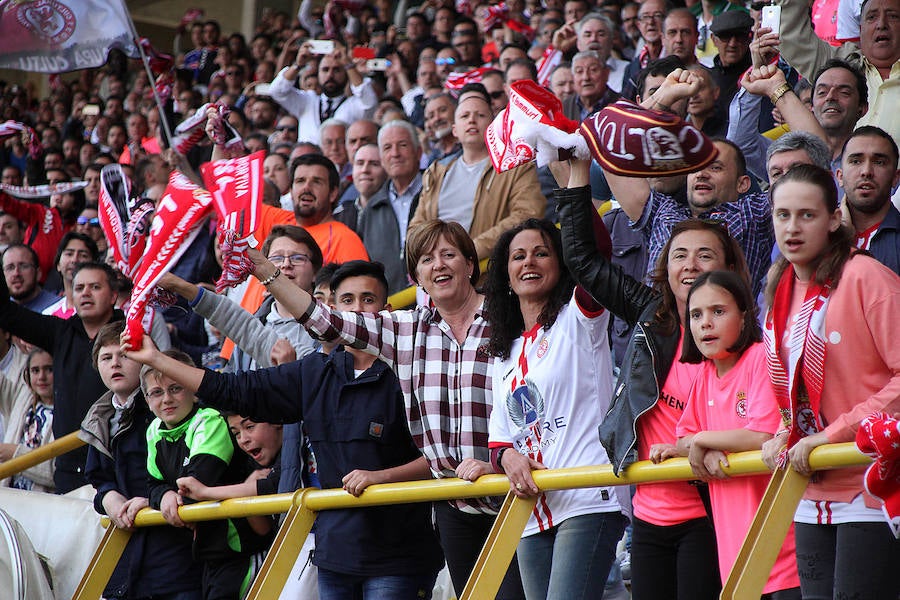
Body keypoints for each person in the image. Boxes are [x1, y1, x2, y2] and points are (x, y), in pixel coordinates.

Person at [241, 220, 526, 599]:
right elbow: (324, 322)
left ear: (471, 265)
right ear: (417, 277)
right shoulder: (405, 328)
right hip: (455, 503)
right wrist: (264, 269)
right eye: (427, 259)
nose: (439, 265)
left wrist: (499, 461)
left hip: (515, 489)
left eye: (449, 254)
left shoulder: (510, 317)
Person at [127, 262, 445, 600]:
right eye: (347, 300)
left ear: (387, 310)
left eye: (368, 300)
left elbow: (442, 458)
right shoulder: (315, 372)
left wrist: (381, 478)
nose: (357, 310)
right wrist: (157, 360)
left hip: (399, 558)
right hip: (334, 558)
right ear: (332, 311)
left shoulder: (413, 372)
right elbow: (232, 389)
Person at [558, 175, 757, 597]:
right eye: (679, 255)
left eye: (705, 255)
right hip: (648, 515)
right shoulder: (651, 314)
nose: (690, 265)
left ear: (728, 268)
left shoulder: (745, 343)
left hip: (709, 512)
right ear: (665, 267)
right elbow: (583, 261)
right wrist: (576, 177)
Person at [761, 164, 900, 599]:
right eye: (783, 215)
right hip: (809, 487)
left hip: (871, 485)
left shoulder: (865, 276)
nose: (792, 227)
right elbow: (793, 386)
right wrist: (784, 430)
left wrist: (831, 434)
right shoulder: (779, 285)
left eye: (807, 215)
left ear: (834, 218)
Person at [482, 214, 626, 599]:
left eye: (541, 253)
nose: (529, 262)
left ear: (561, 264)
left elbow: (597, 254)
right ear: (506, 276)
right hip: (530, 513)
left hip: (586, 499)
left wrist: (573, 186)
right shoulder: (503, 354)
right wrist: (508, 458)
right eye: (518, 256)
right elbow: (499, 440)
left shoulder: (579, 318)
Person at [674, 271, 800, 597]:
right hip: (736, 561)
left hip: (783, 556)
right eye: (696, 315)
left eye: (718, 311)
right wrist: (704, 446)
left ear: (744, 315)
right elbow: (682, 439)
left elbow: (761, 435)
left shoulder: (759, 358)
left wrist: (703, 441)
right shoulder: (704, 375)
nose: (705, 323)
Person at [139, 349, 273, 600]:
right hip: (209, 555)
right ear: (146, 400)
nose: (166, 399)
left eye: (176, 388)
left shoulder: (209, 420)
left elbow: (196, 487)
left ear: (194, 390)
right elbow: (153, 484)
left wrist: (167, 498)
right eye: (156, 392)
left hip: (242, 550)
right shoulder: (154, 430)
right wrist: (164, 496)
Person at [80, 321, 201, 600]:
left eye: (125, 355)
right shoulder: (98, 419)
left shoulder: (168, 409)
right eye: (106, 358)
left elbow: (190, 474)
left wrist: (153, 500)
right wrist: (109, 498)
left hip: (175, 558)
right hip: (125, 559)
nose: (115, 364)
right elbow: (99, 479)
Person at [0, 262, 127, 492]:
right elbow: (5, 312)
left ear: (113, 296)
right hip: (67, 473)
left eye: (95, 287)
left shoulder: (131, 336)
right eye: (79, 288)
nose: (85, 293)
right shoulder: (60, 332)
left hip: (116, 469)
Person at [411, 87, 544, 262]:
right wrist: (434, 257)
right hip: (439, 271)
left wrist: (470, 250)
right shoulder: (436, 172)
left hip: (488, 271)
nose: (472, 120)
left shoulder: (516, 167)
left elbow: (527, 213)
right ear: (455, 130)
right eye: (464, 116)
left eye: (480, 115)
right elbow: (415, 228)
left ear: (493, 125)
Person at [268, 42, 378, 145]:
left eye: (337, 70)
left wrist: (349, 65)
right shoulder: (306, 101)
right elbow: (276, 91)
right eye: (325, 70)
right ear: (318, 73)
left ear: (346, 73)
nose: (330, 75)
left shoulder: (353, 105)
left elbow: (369, 102)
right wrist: (298, 65)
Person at [0, 348, 55, 492]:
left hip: (42, 502)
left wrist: (15, 454)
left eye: (49, 369)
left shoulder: (69, 412)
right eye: (35, 371)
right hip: (9, 497)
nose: (41, 377)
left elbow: (56, 472)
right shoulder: (23, 397)